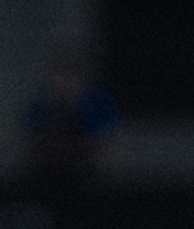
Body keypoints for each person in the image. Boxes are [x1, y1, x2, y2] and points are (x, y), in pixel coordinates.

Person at [17, 49, 120, 180]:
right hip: (43, 170)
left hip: (83, 170)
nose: (68, 80)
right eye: (63, 74)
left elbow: (106, 139)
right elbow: (27, 132)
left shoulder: (97, 102)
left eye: (74, 74)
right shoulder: (40, 100)